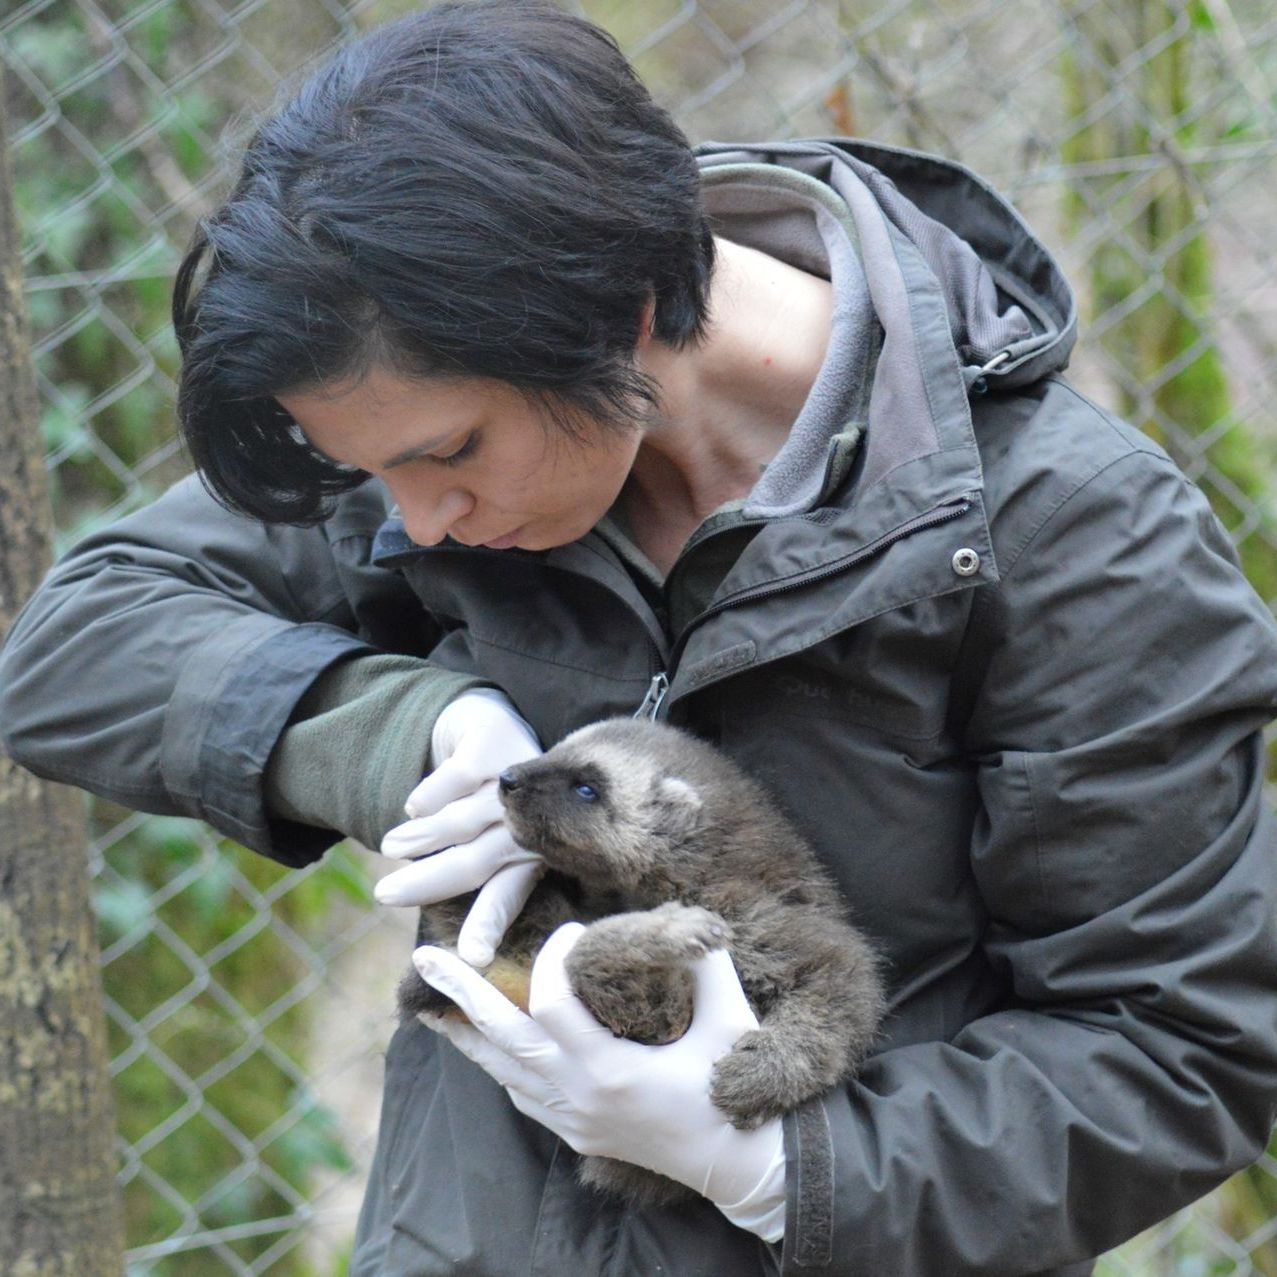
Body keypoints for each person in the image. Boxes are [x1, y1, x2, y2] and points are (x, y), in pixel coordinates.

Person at [4, 2, 1277, 1273]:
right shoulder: (426, 407)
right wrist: (412, 731)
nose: (414, 519)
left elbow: (1176, 1049)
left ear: (619, 316)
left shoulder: (1073, 535)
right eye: (372, 472)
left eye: (446, 454)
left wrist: (782, 1171)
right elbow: (75, 645)